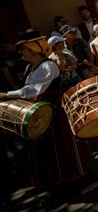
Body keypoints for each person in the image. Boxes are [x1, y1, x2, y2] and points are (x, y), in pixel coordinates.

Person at [0, 29, 87, 186]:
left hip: (53, 110)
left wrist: (7, 95)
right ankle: (52, 182)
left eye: (24, 48)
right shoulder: (30, 68)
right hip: (39, 110)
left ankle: (70, 181)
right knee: (44, 148)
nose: (21, 52)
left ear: (34, 49)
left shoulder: (48, 66)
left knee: (59, 144)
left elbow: (33, 90)